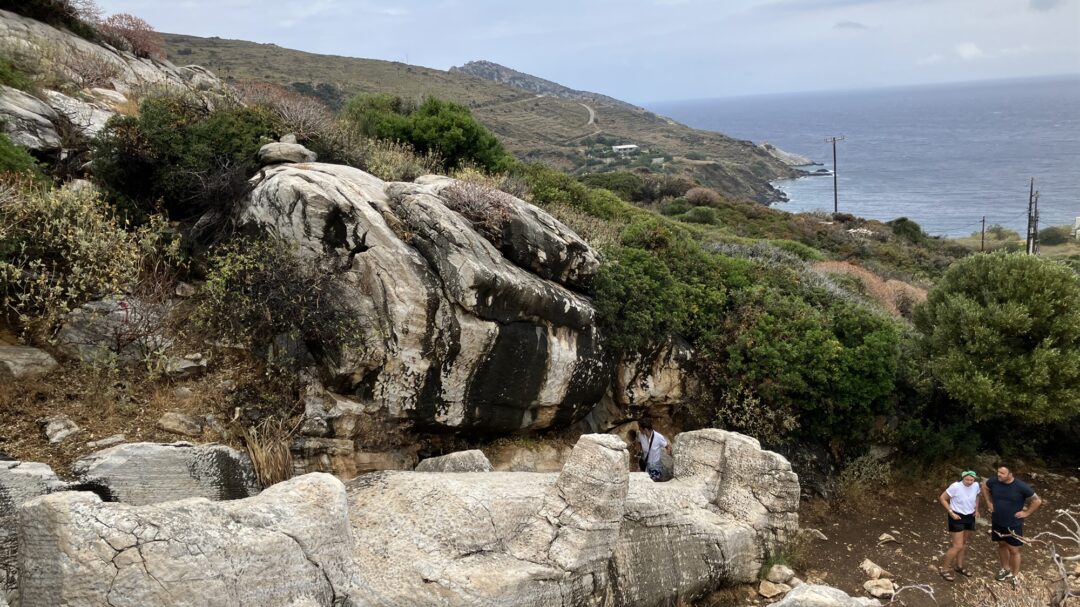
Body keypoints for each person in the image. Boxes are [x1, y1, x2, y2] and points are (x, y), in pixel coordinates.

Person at [982, 463, 1042, 586]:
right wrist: (988, 502)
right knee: (1001, 545)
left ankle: (1015, 575)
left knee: (1014, 550)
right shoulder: (994, 481)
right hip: (997, 520)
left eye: (1002, 473)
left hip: (1013, 523)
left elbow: (1037, 500)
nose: (999, 475)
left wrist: (1026, 513)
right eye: (998, 472)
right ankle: (1005, 569)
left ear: (1010, 474)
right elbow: (984, 486)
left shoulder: (1021, 486)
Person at [937, 470, 981, 581]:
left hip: (970, 516)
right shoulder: (955, 486)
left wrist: (976, 509)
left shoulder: (976, 485)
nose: (969, 482)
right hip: (956, 516)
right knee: (957, 545)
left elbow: (977, 496)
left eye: (971, 480)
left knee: (964, 543)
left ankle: (959, 566)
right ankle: (944, 569)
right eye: (967, 479)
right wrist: (951, 512)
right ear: (963, 478)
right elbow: (943, 498)